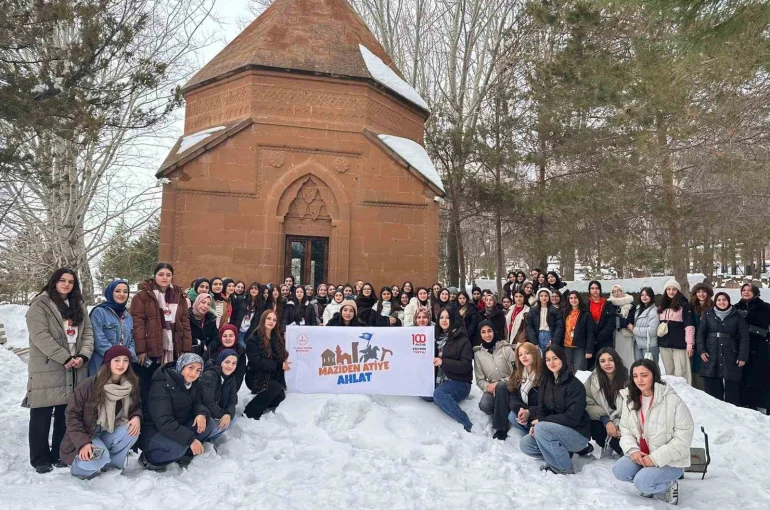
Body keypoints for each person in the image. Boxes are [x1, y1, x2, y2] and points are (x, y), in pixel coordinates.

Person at [25, 268, 94, 474]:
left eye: (71, 282)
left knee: (66, 411)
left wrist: (83, 355)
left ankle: (58, 453)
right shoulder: (40, 305)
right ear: (54, 281)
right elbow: (40, 337)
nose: (66, 284)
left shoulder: (78, 305)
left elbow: (88, 333)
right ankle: (39, 458)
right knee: (42, 413)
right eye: (62, 280)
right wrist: (64, 357)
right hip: (49, 366)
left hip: (75, 367)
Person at [613, 359, 694, 505]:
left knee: (642, 482)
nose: (639, 380)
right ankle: (649, 481)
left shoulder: (672, 400)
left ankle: (668, 484)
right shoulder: (630, 399)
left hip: (670, 461)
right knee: (620, 470)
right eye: (635, 376)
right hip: (642, 455)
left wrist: (655, 458)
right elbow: (625, 430)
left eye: (644, 375)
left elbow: (683, 438)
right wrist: (633, 451)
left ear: (654, 375)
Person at [60, 345, 141, 479]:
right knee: (97, 457)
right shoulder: (89, 385)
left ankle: (111, 469)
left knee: (131, 431)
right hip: (89, 433)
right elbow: (72, 416)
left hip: (109, 430)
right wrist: (83, 443)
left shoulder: (130, 384)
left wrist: (136, 417)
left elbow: (137, 405)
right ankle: (79, 470)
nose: (121, 364)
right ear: (108, 362)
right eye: (117, 360)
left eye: (125, 360)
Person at [519, 344, 591, 474]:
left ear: (562, 359)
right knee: (526, 444)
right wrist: (537, 423)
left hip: (577, 434)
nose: (551, 362)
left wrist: (542, 422)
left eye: (555, 358)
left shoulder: (574, 385)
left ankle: (563, 467)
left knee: (541, 428)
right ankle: (562, 454)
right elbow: (542, 409)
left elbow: (572, 418)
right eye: (548, 359)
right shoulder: (547, 381)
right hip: (556, 431)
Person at [138, 353, 215, 470]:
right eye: (190, 368)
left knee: (208, 424)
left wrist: (201, 413)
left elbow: (198, 402)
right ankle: (149, 459)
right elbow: (164, 421)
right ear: (181, 366)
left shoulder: (192, 383)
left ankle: (184, 455)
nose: (194, 373)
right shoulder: (161, 384)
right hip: (154, 430)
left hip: (176, 424)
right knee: (177, 448)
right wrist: (190, 439)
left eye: (198, 370)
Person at [131, 263, 192, 409]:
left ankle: (165, 413)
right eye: (161, 274)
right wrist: (141, 350)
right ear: (155, 276)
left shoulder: (179, 296)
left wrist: (185, 349)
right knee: (148, 384)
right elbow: (138, 324)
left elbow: (185, 323)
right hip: (152, 350)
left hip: (174, 348)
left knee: (169, 384)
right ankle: (147, 416)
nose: (164, 278)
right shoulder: (142, 296)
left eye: (168, 275)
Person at [696, 292, 749, 406]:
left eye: (724, 299)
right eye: (719, 300)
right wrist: (702, 350)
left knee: (732, 385)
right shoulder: (708, 315)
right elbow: (700, 334)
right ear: (715, 301)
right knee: (712, 385)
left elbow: (744, 338)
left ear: (728, 301)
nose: (721, 302)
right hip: (711, 352)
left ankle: (734, 411)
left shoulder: (737, 316)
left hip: (731, 353)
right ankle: (715, 411)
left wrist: (742, 356)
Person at [426, 308, 474, 432]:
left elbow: (466, 366)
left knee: (439, 394)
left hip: (460, 382)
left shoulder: (462, 340)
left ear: (453, 319)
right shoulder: (435, 338)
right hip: (441, 379)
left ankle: (465, 422)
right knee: (423, 392)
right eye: (441, 318)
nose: (444, 320)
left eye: (447, 317)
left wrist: (443, 362)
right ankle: (441, 399)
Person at [245, 310, 290, 419]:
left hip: (271, 375)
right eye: (268, 318)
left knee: (280, 396)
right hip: (255, 376)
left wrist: (288, 341)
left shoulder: (277, 338)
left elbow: (284, 355)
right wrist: (279, 365)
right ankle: (249, 413)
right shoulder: (253, 339)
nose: (271, 321)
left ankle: (262, 402)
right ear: (263, 320)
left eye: (274, 320)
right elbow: (257, 362)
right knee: (274, 388)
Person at [492, 342, 542, 440]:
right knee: (512, 416)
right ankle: (528, 431)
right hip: (525, 410)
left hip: (539, 414)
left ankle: (537, 433)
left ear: (534, 353)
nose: (524, 357)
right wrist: (520, 409)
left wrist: (529, 412)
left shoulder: (543, 374)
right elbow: (513, 395)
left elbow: (546, 403)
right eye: (520, 354)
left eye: (527, 353)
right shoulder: (517, 372)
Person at [585, 347, 627, 456]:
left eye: (610, 360)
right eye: (602, 361)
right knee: (593, 425)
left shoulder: (628, 378)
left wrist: (619, 426)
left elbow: (633, 406)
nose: (607, 364)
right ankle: (607, 443)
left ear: (616, 360)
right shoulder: (593, 379)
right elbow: (587, 401)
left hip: (625, 422)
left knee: (624, 448)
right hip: (603, 419)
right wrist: (606, 421)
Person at [735, 283, 770, 412]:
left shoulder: (765, 307)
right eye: (744, 290)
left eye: (750, 290)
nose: (746, 292)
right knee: (743, 375)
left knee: (760, 376)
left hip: (760, 347)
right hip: (741, 347)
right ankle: (745, 403)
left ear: (755, 292)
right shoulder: (735, 308)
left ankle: (762, 404)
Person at [89, 279, 135, 376]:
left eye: (125, 291)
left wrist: (128, 355)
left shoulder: (128, 316)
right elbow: (98, 340)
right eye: (117, 291)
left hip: (122, 367)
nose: (122, 294)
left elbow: (131, 339)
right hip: (103, 364)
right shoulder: (99, 312)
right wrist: (116, 357)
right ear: (110, 292)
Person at [473, 320, 515, 415]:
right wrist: (488, 386)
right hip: (492, 389)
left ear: (494, 331)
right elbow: (480, 380)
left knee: (508, 399)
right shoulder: (478, 354)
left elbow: (517, 372)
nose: (487, 335)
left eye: (489, 331)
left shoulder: (506, 349)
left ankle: (503, 419)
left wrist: (501, 383)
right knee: (485, 404)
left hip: (510, 386)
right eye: (483, 332)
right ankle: (500, 410)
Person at [657, 279, 695, 384]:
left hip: (679, 344)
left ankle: (686, 396)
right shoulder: (661, 306)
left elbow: (689, 327)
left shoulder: (684, 305)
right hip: (664, 344)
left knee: (682, 372)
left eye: (674, 289)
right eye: (668, 289)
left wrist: (690, 345)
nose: (671, 292)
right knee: (669, 373)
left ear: (678, 291)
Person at [199, 349, 239, 441]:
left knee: (231, 420)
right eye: (227, 362)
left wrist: (228, 414)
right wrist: (224, 414)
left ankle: (208, 439)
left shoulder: (231, 379)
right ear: (220, 361)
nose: (230, 366)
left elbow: (232, 401)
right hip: (202, 412)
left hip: (214, 411)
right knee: (212, 423)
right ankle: (199, 439)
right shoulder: (210, 375)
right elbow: (208, 402)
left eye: (234, 363)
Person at [204, 324, 247, 392]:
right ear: (220, 337)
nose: (228, 338)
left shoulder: (240, 353)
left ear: (235, 337)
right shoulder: (212, 349)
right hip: (208, 389)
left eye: (231, 335)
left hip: (227, 391)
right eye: (224, 336)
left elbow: (238, 378)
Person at [559, 291, 595, 370]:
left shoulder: (586, 314)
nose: (573, 300)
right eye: (571, 298)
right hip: (566, 345)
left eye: (575, 298)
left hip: (580, 346)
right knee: (567, 369)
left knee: (580, 369)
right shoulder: (564, 312)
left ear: (579, 299)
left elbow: (590, 332)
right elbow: (560, 328)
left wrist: (589, 349)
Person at [689, 283, 714, 391]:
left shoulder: (713, 306)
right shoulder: (691, 307)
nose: (701, 294)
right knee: (695, 366)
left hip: (709, 341)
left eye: (704, 291)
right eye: (699, 292)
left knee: (707, 364)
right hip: (694, 340)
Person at [525, 288, 565, 353]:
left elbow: (559, 327)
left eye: (546, 296)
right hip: (538, 335)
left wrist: (554, 341)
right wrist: (534, 341)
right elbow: (529, 326)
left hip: (549, 335)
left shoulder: (555, 311)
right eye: (541, 296)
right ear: (538, 297)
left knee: (549, 355)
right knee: (539, 357)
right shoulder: (533, 311)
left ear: (549, 297)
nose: (544, 298)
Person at [628, 287, 660, 364]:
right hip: (638, 344)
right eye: (642, 295)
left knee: (651, 369)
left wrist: (634, 329)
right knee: (640, 368)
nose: (644, 297)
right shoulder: (639, 308)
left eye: (647, 295)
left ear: (651, 296)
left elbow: (652, 331)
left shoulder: (654, 311)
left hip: (649, 345)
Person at [587, 280, 615, 369]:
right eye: (592, 288)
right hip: (589, 339)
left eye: (597, 288)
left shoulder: (608, 304)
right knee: (591, 365)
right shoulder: (585, 304)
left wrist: (598, 337)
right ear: (589, 290)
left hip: (604, 339)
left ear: (600, 290)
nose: (594, 290)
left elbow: (611, 323)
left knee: (604, 363)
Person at [609, 285, 635, 370]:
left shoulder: (630, 305)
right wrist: (620, 321)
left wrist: (618, 321)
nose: (616, 293)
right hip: (613, 334)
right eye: (614, 291)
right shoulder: (610, 304)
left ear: (622, 291)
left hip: (626, 334)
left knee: (627, 355)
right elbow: (608, 320)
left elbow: (630, 321)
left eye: (619, 290)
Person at [231, 283, 263, 348]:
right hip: (239, 330)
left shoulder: (260, 304)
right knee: (241, 348)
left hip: (249, 331)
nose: (253, 290)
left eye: (256, 289)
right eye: (252, 288)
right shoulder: (241, 299)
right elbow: (233, 314)